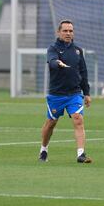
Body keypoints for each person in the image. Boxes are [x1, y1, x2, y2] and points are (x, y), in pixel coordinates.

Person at [39, 20, 92, 163]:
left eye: (71, 31)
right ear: (59, 32)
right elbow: (51, 61)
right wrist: (58, 63)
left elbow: (83, 72)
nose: (68, 33)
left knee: (78, 119)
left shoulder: (78, 51)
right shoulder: (53, 48)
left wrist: (86, 93)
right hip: (57, 94)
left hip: (74, 93)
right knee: (51, 123)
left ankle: (81, 154)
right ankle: (43, 150)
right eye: (65, 31)